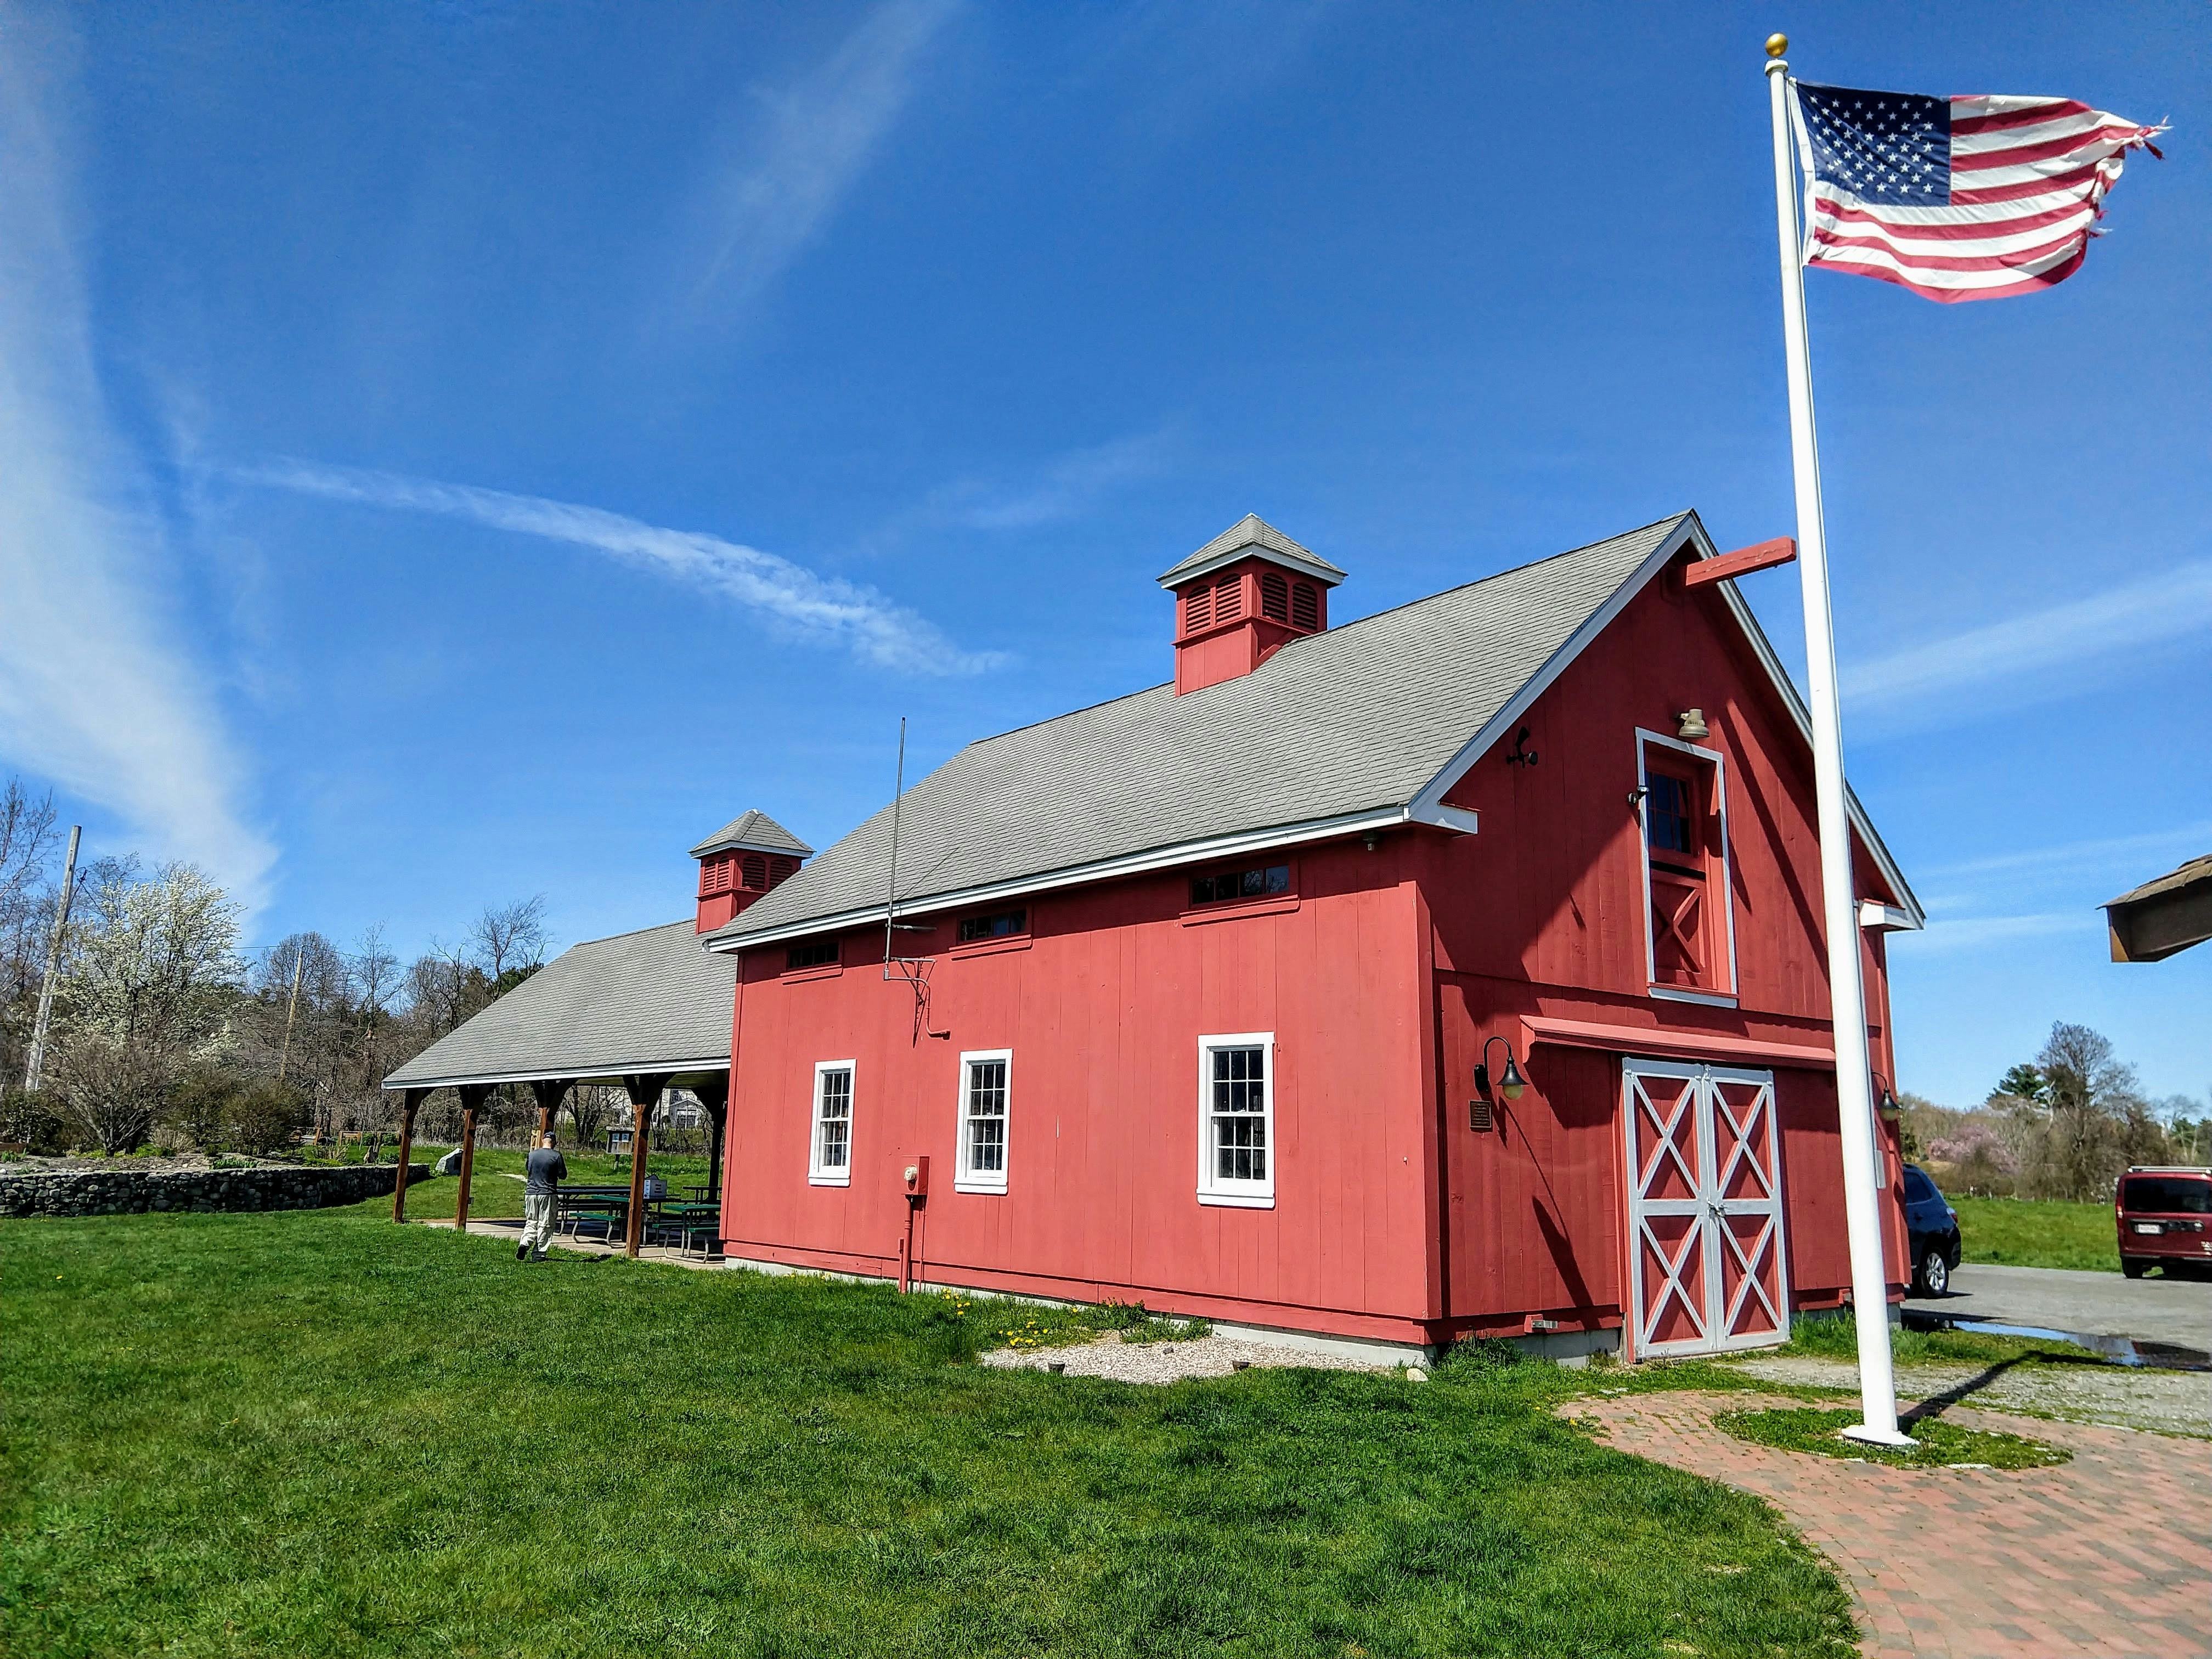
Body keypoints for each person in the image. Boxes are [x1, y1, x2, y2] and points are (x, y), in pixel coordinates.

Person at [519, 1131, 567, 1262]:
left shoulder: (532, 1155)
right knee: (545, 1224)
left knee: (531, 1221)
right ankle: (539, 1254)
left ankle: (525, 1242)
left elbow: (528, 1169)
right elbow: (563, 1175)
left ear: (542, 1141)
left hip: (531, 1193)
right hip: (548, 1193)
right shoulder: (557, 1156)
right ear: (554, 1142)